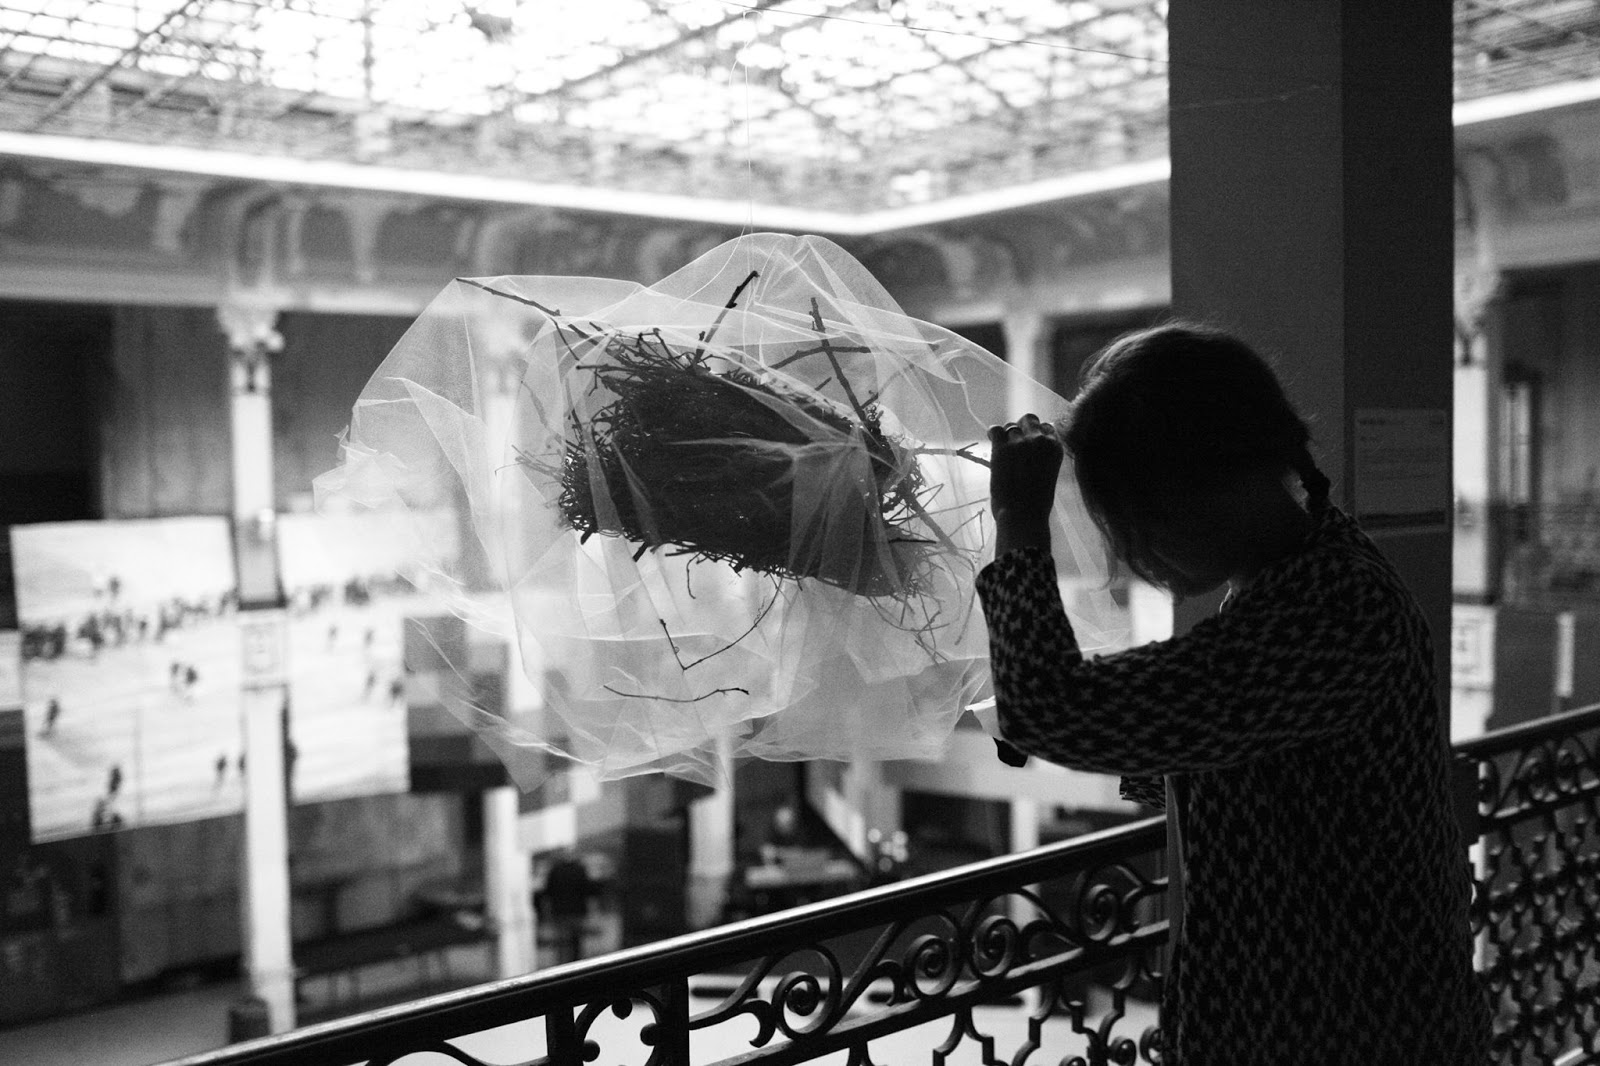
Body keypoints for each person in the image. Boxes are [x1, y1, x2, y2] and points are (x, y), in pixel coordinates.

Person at [976, 324, 1489, 1064]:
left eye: (1133, 519)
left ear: (1204, 486)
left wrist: (1018, 520)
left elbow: (1051, 711)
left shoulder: (1327, 610)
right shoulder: (1306, 575)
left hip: (1343, 1033)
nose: (1128, 551)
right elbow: (1240, 757)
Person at [538, 851, 596, 965]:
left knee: (563, 942)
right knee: (576, 941)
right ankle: (577, 964)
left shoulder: (555, 870)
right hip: (577, 910)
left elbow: (548, 891)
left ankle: (563, 964)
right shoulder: (579, 869)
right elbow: (588, 890)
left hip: (560, 911)